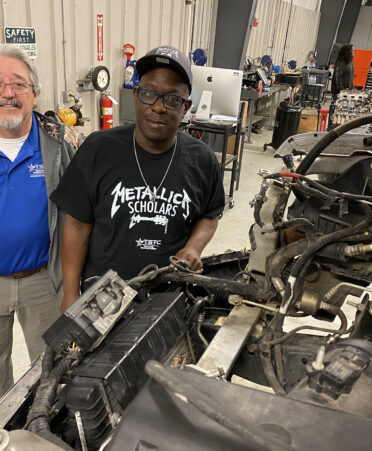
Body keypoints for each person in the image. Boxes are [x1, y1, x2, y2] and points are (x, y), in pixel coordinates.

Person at [51, 45, 225, 313]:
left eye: (171, 99)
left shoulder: (202, 160)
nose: (158, 107)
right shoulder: (98, 149)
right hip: (101, 297)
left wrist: (193, 247)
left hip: (169, 297)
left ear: (186, 106)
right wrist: (71, 293)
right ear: (135, 95)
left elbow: (210, 214)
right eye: (149, 94)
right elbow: (76, 226)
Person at [0, 44, 79, 396]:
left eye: (18, 84)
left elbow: (83, 211)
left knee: (52, 371)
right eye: (0, 84)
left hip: (44, 280)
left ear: (34, 94)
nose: (7, 93)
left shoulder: (60, 143)